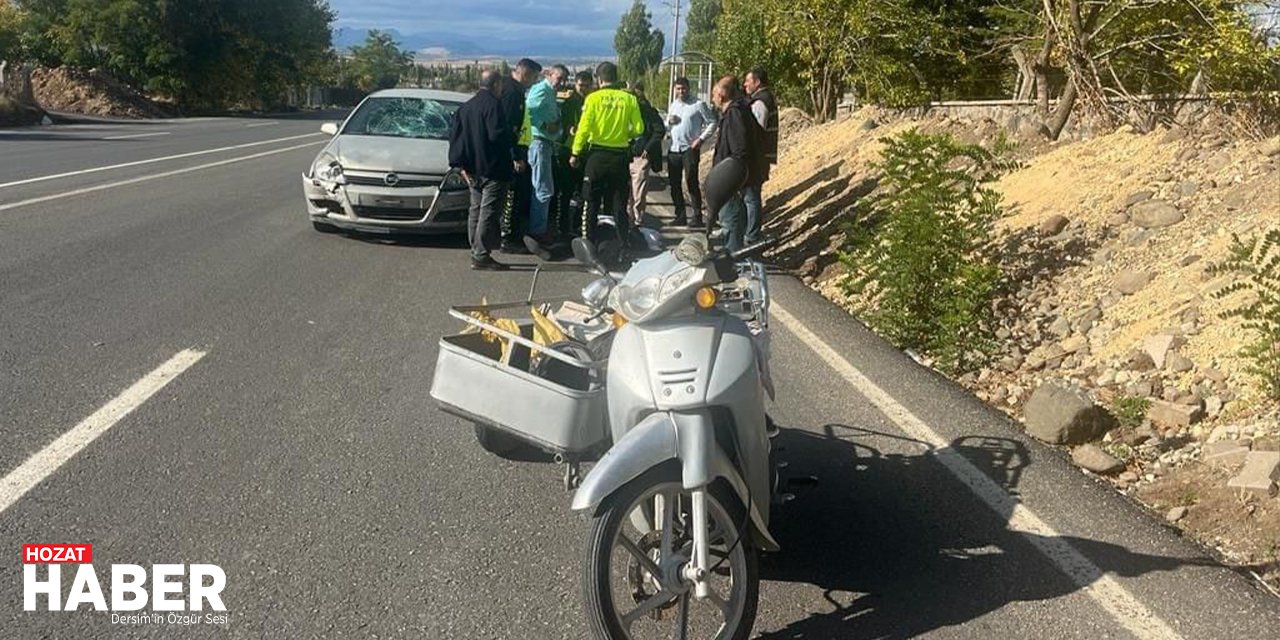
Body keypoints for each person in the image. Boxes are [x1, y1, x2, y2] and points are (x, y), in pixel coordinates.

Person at [570, 62, 645, 245]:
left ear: (599, 78)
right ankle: (622, 245)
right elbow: (638, 128)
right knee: (619, 204)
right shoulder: (629, 99)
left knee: (591, 202)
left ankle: (589, 243)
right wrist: (623, 134)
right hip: (619, 157)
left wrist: (575, 152)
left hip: (597, 156)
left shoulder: (593, 98)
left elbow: (584, 129)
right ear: (616, 77)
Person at [448, 70, 516, 270]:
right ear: (496, 84)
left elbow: (455, 138)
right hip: (493, 168)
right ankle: (481, 254)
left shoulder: (467, 107)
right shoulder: (494, 106)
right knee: (489, 211)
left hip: (472, 168)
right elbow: (498, 136)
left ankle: (475, 248)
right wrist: (512, 139)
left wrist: (459, 165)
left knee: (476, 209)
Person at [708, 75, 764, 253]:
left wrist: (728, 176)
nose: (713, 98)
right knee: (733, 218)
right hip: (731, 179)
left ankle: (732, 259)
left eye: (714, 93)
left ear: (722, 94)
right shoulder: (737, 110)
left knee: (731, 219)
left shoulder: (734, 114)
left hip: (729, 182)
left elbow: (739, 150)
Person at [522, 64, 568, 260]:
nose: (562, 83)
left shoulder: (549, 92)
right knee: (542, 187)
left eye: (565, 79)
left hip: (546, 142)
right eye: (559, 78)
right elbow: (529, 110)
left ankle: (539, 227)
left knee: (543, 187)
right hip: (539, 142)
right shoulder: (541, 90)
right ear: (549, 75)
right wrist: (544, 125)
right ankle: (537, 231)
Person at [498, 59, 541, 254]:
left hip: (516, 149)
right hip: (512, 152)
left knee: (516, 195)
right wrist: (515, 156)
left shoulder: (511, 88)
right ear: (525, 73)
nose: (533, 82)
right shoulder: (512, 92)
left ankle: (511, 235)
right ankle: (508, 237)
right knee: (513, 196)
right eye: (533, 77)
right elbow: (508, 126)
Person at [665, 77, 718, 228]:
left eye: (684, 89)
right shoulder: (674, 104)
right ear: (675, 89)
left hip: (690, 148)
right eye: (678, 89)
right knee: (674, 184)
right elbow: (667, 124)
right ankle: (680, 215)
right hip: (674, 148)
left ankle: (697, 216)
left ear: (689, 88)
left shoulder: (698, 104)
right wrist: (669, 121)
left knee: (691, 181)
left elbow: (712, 122)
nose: (681, 92)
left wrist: (700, 140)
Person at [553, 69, 592, 239]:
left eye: (586, 85)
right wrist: (571, 129)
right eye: (580, 85)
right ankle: (562, 226)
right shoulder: (570, 102)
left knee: (583, 192)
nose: (583, 88)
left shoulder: (592, 101)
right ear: (575, 84)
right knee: (565, 191)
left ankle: (577, 226)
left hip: (586, 151)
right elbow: (566, 124)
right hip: (568, 150)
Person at [742, 67, 778, 244]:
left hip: (756, 158)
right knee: (750, 196)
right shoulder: (763, 99)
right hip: (759, 157)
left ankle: (751, 236)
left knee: (751, 197)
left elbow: (756, 131)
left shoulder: (760, 102)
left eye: (748, 81)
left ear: (757, 82)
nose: (745, 85)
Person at [625, 81, 666, 226]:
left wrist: (648, 149)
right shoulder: (623, 112)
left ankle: (637, 218)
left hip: (640, 157)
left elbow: (659, 130)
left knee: (638, 191)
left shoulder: (648, 112)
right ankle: (626, 217)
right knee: (624, 190)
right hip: (623, 155)